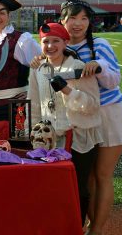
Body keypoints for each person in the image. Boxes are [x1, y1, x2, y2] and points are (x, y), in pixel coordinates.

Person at [58, 0, 122, 235]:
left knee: (102, 175)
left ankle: (97, 230)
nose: (77, 24)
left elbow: (114, 80)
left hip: (109, 115)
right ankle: (88, 223)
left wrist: (98, 65)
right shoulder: (63, 47)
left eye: (83, 18)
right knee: (86, 176)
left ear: (89, 22)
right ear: (62, 21)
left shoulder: (99, 44)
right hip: (81, 117)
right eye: (72, 18)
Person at [28, 22, 102, 227]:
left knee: (77, 187)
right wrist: (32, 133)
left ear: (65, 42)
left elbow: (93, 105)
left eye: (55, 41)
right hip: (49, 138)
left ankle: (76, 226)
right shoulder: (38, 68)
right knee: (52, 187)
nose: (50, 46)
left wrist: (67, 90)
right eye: (45, 42)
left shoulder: (77, 68)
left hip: (78, 136)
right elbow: (34, 102)